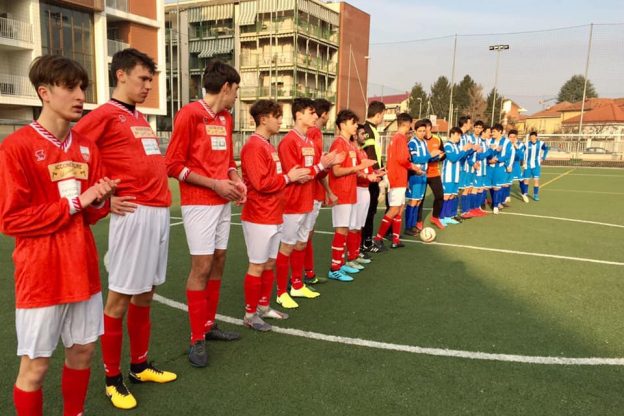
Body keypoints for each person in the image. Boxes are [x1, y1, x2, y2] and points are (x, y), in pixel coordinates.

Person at [0, 55, 117, 416]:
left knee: (82, 352)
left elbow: (90, 214)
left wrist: (102, 200)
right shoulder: (16, 147)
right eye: (71, 87)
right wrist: (74, 204)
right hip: (41, 274)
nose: (81, 95)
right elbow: (11, 219)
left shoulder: (87, 147)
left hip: (82, 268)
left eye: (83, 87)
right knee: (35, 367)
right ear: (44, 93)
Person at [74, 48, 177, 409]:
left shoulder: (139, 117)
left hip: (158, 212)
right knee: (118, 298)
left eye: (151, 79)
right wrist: (102, 199)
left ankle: (139, 366)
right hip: (133, 214)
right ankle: (112, 378)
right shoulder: (103, 115)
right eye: (143, 78)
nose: (148, 85)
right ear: (120, 75)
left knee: (145, 293)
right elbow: (73, 153)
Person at [165, 60, 246, 368]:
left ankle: (209, 326)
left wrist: (235, 179)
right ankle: (196, 337)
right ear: (225, 87)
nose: (236, 96)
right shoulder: (189, 114)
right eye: (236, 90)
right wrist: (214, 184)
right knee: (201, 266)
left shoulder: (225, 118)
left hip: (222, 200)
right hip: (199, 202)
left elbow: (226, 160)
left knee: (219, 260)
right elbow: (173, 165)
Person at [239, 100, 311, 331]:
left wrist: (286, 179)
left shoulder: (268, 145)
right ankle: (250, 314)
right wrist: (289, 178)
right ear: (263, 119)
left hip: (274, 213)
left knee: (269, 263)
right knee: (257, 265)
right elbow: (260, 183)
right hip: (258, 215)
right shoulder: (253, 146)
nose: (281, 120)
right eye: (276, 116)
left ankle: (263, 306)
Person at [275, 98, 342, 308]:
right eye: (311, 112)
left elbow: (314, 171)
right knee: (286, 246)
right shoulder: (288, 142)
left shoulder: (310, 142)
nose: (316, 116)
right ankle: (280, 292)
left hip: (307, 200)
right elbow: (297, 175)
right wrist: (319, 166)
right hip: (292, 203)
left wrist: (328, 164)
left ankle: (296, 285)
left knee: (301, 243)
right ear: (299, 115)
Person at [327, 110, 377, 281]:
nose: (356, 126)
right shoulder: (338, 144)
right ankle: (335, 267)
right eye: (353, 123)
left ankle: (342, 264)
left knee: (346, 229)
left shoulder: (349, 145)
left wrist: (366, 172)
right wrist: (358, 168)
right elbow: (336, 170)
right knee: (341, 229)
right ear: (342, 125)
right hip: (341, 193)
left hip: (350, 192)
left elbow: (352, 171)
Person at [373, 113, 420, 249]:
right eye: (410, 125)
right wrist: (414, 167)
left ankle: (395, 240)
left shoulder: (396, 138)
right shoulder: (400, 138)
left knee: (400, 209)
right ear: (407, 124)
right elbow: (402, 159)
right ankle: (378, 238)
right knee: (394, 209)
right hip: (397, 178)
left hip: (398, 177)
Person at [303, 98, 337, 285]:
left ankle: (306, 273)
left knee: (304, 236)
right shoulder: (314, 132)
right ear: (323, 114)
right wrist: (328, 191)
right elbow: (317, 166)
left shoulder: (310, 133)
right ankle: (301, 276)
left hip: (310, 191)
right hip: (310, 192)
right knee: (304, 236)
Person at [361, 101, 386, 252]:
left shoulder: (372, 130)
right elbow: (367, 154)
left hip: (374, 175)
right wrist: (374, 172)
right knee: (368, 211)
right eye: (383, 115)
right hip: (369, 177)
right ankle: (365, 243)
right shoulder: (367, 130)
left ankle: (366, 242)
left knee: (371, 210)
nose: (383, 118)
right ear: (378, 115)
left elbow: (375, 153)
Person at [354, 124, 381, 263]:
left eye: (365, 133)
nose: (364, 135)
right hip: (358, 190)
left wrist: (376, 173)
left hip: (365, 190)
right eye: (362, 133)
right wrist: (367, 177)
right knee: (354, 226)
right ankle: (353, 254)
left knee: (360, 224)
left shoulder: (363, 152)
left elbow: (366, 171)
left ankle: (357, 252)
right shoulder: (354, 152)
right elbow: (354, 171)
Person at [404, 120, 434, 235]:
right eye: (420, 131)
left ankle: (413, 225)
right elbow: (415, 159)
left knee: (419, 201)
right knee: (413, 201)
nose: (422, 133)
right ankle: (408, 227)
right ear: (415, 131)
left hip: (423, 175)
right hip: (415, 175)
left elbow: (427, 158)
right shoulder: (412, 143)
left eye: (424, 131)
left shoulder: (424, 143)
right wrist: (430, 155)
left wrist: (436, 156)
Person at [416, 119, 445, 230]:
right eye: (423, 129)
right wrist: (434, 157)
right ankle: (418, 221)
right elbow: (422, 158)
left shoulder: (437, 139)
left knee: (440, 196)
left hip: (434, 173)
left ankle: (435, 217)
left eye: (427, 127)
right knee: (420, 198)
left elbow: (443, 153)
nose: (425, 130)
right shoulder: (420, 142)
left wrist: (441, 156)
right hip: (422, 173)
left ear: (430, 128)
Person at [440, 127, 471, 225]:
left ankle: (448, 216)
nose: (459, 137)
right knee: (446, 196)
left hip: (456, 175)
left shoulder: (456, 146)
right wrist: (464, 150)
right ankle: (441, 217)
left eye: (460, 135)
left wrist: (469, 150)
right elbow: (453, 158)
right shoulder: (448, 145)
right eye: (458, 135)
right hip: (448, 176)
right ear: (452, 134)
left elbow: (460, 157)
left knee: (452, 195)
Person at [487, 123, 513, 214]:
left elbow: (507, 155)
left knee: (497, 187)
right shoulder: (490, 141)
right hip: (489, 167)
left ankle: (495, 206)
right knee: (490, 186)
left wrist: (497, 159)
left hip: (499, 167)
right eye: (491, 131)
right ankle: (495, 202)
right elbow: (487, 153)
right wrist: (490, 160)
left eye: (494, 131)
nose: (492, 133)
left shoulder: (507, 142)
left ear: (500, 132)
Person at [521, 132, 549, 201]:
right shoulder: (526, 144)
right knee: (526, 181)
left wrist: (543, 157)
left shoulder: (541, 143)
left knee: (536, 181)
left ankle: (535, 195)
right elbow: (522, 152)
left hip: (536, 165)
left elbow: (546, 149)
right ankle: (525, 194)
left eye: (534, 136)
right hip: (527, 165)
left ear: (536, 137)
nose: (532, 138)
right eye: (531, 137)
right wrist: (523, 160)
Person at [507, 129, 525, 204]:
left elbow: (521, 156)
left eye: (514, 137)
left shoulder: (520, 145)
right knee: (508, 181)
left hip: (516, 165)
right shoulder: (506, 144)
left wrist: (516, 148)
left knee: (521, 180)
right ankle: (507, 196)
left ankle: (524, 194)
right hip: (508, 165)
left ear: (516, 137)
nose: (512, 138)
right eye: (510, 137)